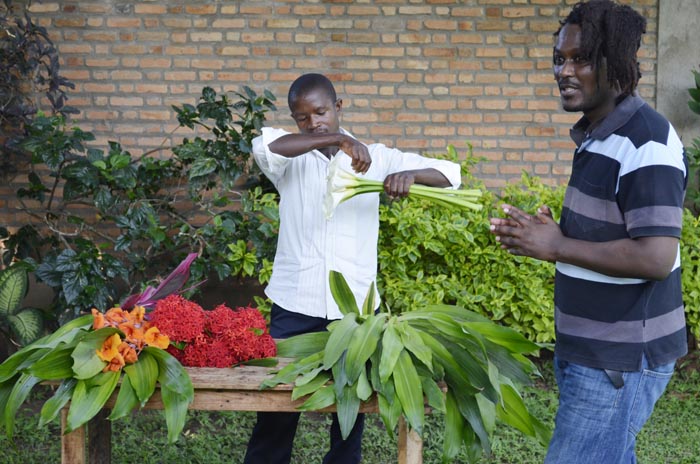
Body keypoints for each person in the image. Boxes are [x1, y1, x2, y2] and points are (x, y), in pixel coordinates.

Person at [489, 1, 687, 463]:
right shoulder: (600, 134)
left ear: (614, 62)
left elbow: (655, 257)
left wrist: (557, 245)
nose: (565, 70)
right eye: (560, 59)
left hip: (619, 361)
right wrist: (549, 236)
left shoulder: (647, 143)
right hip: (591, 351)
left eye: (581, 59)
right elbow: (612, 230)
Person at [243, 73, 461, 464]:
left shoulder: (376, 157)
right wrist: (336, 140)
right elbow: (267, 146)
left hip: (356, 312)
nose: (313, 123)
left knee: (350, 411)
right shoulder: (289, 159)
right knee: (276, 409)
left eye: (321, 112)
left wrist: (409, 175)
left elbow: (451, 173)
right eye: (302, 117)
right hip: (294, 305)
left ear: (338, 107)